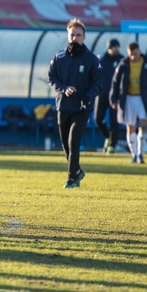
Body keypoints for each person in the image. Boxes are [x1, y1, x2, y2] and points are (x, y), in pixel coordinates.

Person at [47, 18, 101, 188]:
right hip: (63, 106)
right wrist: (63, 88)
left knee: (73, 142)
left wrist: (89, 96)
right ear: (67, 35)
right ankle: (77, 171)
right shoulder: (59, 57)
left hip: (82, 108)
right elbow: (51, 77)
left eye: (78, 35)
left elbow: (98, 83)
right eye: (72, 35)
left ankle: (71, 179)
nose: (75, 38)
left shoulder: (91, 59)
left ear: (84, 37)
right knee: (65, 145)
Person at [110, 42, 147, 164]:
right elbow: (115, 83)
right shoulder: (123, 64)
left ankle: (140, 153)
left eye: (135, 54)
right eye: (131, 55)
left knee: (143, 123)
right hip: (128, 98)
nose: (133, 57)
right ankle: (134, 153)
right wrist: (113, 99)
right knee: (130, 126)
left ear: (139, 52)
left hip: (143, 98)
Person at [95, 38, 123, 153]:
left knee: (114, 121)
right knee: (98, 119)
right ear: (109, 48)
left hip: (115, 96)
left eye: (117, 47)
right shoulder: (100, 59)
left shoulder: (121, 60)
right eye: (114, 47)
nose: (116, 49)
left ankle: (112, 144)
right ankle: (108, 137)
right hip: (101, 94)